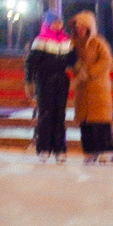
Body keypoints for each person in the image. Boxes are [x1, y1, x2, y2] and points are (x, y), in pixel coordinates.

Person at [68, 9, 113, 164]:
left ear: (90, 27)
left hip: (98, 89)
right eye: (77, 27)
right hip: (83, 90)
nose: (79, 30)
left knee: (100, 122)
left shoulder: (98, 43)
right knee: (85, 122)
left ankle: (107, 150)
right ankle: (89, 151)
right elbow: (71, 61)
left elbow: (106, 61)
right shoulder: (73, 44)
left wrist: (88, 72)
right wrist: (77, 69)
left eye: (83, 27)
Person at [25, 9, 74, 163]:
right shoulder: (41, 40)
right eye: (54, 22)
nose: (58, 25)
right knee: (46, 114)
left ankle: (59, 149)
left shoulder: (66, 40)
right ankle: (43, 148)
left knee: (60, 115)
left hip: (61, 81)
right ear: (47, 24)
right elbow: (31, 62)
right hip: (45, 81)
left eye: (59, 22)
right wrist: (30, 81)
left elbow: (73, 60)